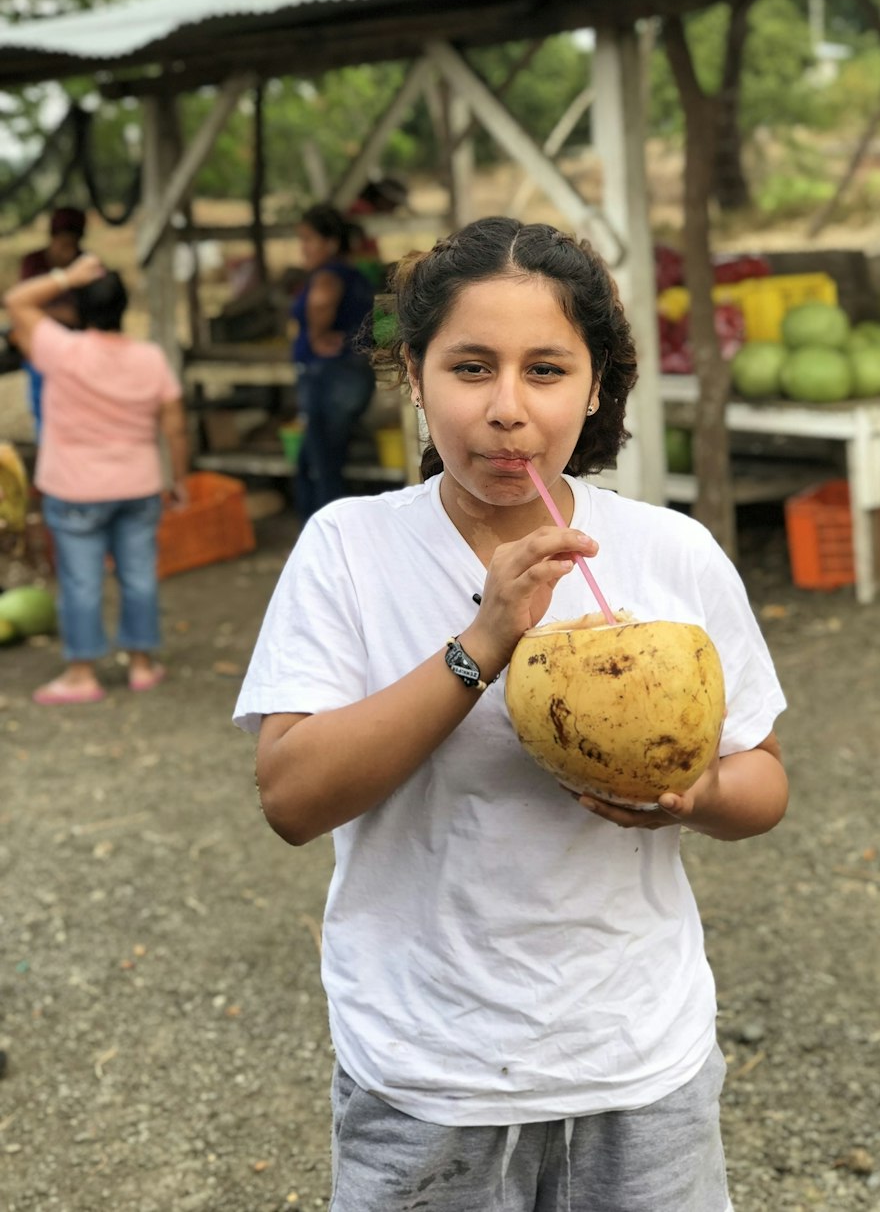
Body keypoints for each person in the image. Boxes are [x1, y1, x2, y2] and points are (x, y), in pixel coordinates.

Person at [234, 217, 788, 1211]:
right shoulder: (349, 548)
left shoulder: (670, 556)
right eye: (469, 367)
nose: (505, 409)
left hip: (635, 1059)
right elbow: (291, 794)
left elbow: (763, 780)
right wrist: (483, 641)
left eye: (545, 370)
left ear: (594, 384)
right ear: (412, 375)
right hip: (427, 1068)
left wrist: (692, 793)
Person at [3, 254, 189, 706]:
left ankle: (83, 673)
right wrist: (178, 480)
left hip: (74, 489)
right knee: (139, 576)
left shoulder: (61, 349)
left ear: (78, 308)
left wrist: (68, 274)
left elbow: (15, 300)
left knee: (81, 580)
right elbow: (175, 427)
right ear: (125, 307)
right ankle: (142, 665)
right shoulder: (150, 358)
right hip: (139, 485)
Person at [290, 204, 376, 521]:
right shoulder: (356, 276)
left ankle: (328, 535)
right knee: (317, 458)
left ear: (330, 243)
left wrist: (315, 336)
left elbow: (321, 298)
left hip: (329, 378)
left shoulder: (327, 276)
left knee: (322, 464)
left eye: (308, 239)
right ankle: (321, 530)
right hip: (351, 375)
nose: (303, 248)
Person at [17, 206, 88, 432]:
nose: (66, 250)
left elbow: (83, 313)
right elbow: (22, 305)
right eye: (62, 242)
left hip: (75, 349)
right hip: (40, 348)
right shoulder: (34, 262)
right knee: (43, 411)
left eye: (71, 243)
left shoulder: (85, 264)